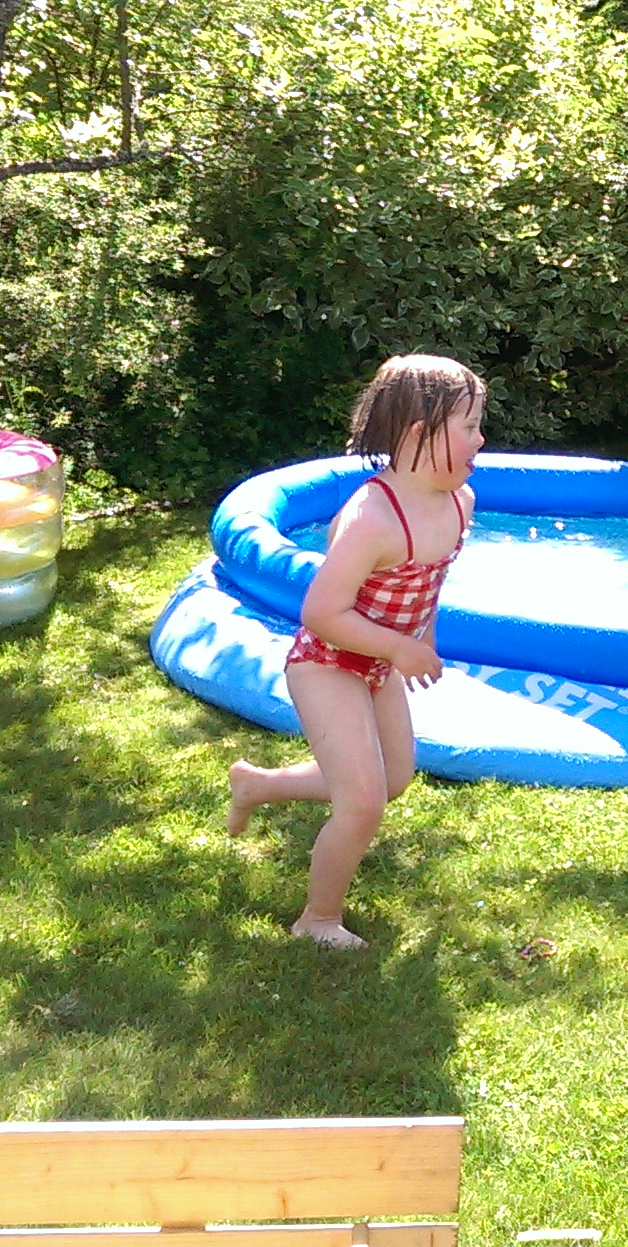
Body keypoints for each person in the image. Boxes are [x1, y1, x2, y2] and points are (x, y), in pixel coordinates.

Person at [226, 354, 485, 950]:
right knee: (363, 804)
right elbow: (322, 613)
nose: (481, 439)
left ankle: (257, 785)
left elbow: (428, 581)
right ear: (420, 434)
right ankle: (317, 919)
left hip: (378, 662)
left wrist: (420, 639)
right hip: (326, 663)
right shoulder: (372, 518)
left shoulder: (459, 501)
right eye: (470, 426)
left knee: (393, 779)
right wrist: (399, 646)